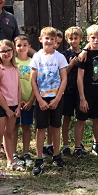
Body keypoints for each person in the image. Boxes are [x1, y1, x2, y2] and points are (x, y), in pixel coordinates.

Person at [30, 27, 68, 176]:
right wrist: (39, 99)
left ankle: (56, 155)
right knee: (41, 129)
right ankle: (39, 158)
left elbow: (64, 78)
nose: (49, 41)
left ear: (56, 41)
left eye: (52, 39)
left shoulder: (59, 57)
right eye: (47, 38)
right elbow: (33, 80)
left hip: (56, 98)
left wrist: (58, 98)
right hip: (41, 99)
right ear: (41, 39)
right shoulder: (37, 57)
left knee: (55, 127)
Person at [0, 40, 22, 179]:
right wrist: (7, 110)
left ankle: (10, 162)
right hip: (1, 106)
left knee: (9, 134)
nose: (6, 53)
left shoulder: (15, 68)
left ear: (13, 51)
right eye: (3, 51)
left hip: (14, 106)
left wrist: (18, 106)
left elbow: (19, 88)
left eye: (9, 50)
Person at [75, 25, 98, 156]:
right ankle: (77, 147)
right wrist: (82, 98)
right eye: (93, 38)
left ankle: (96, 144)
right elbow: (79, 77)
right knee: (81, 120)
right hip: (85, 93)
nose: (95, 40)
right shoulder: (84, 55)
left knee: (97, 119)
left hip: (97, 92)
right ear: (88, 38)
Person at [13, 34, 35, 168]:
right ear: (15, 48)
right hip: (14, 102)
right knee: (13, 127)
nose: (22, 48)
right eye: (19, 45)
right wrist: (16, 100)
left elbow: (36, 83)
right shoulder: (12, 62)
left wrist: (31, 100)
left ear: (29, 47)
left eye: (25, 45)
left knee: (26, 126)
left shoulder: (33, 62)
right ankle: (13, 153)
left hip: (28, 101)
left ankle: (26, 152)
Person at [61, 26, 83, 157]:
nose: (73, 41)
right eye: (70, 39)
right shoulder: (64, 55)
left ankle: (78, 146)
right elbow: (63, 73)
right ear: (67, 40)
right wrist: (71, 64)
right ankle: (65, 145)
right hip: (68, 90)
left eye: (75, 38)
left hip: (80, 91)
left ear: (80, 39)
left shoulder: (84, 53)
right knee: (67, 118)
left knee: (80, 119)